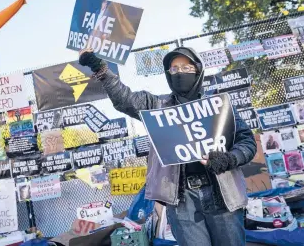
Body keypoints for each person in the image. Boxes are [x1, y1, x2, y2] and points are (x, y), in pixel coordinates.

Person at [79, 47, 257, 246]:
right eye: (174, 69)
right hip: (182, 200)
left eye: (186, 67)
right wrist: (99, 67)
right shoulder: (157, 106)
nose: (180, 72)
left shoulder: (219, 105)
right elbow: (124, 98)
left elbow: (247, 142)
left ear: (198, 71)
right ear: (168, 74)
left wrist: (229, 159)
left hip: (223, 195)